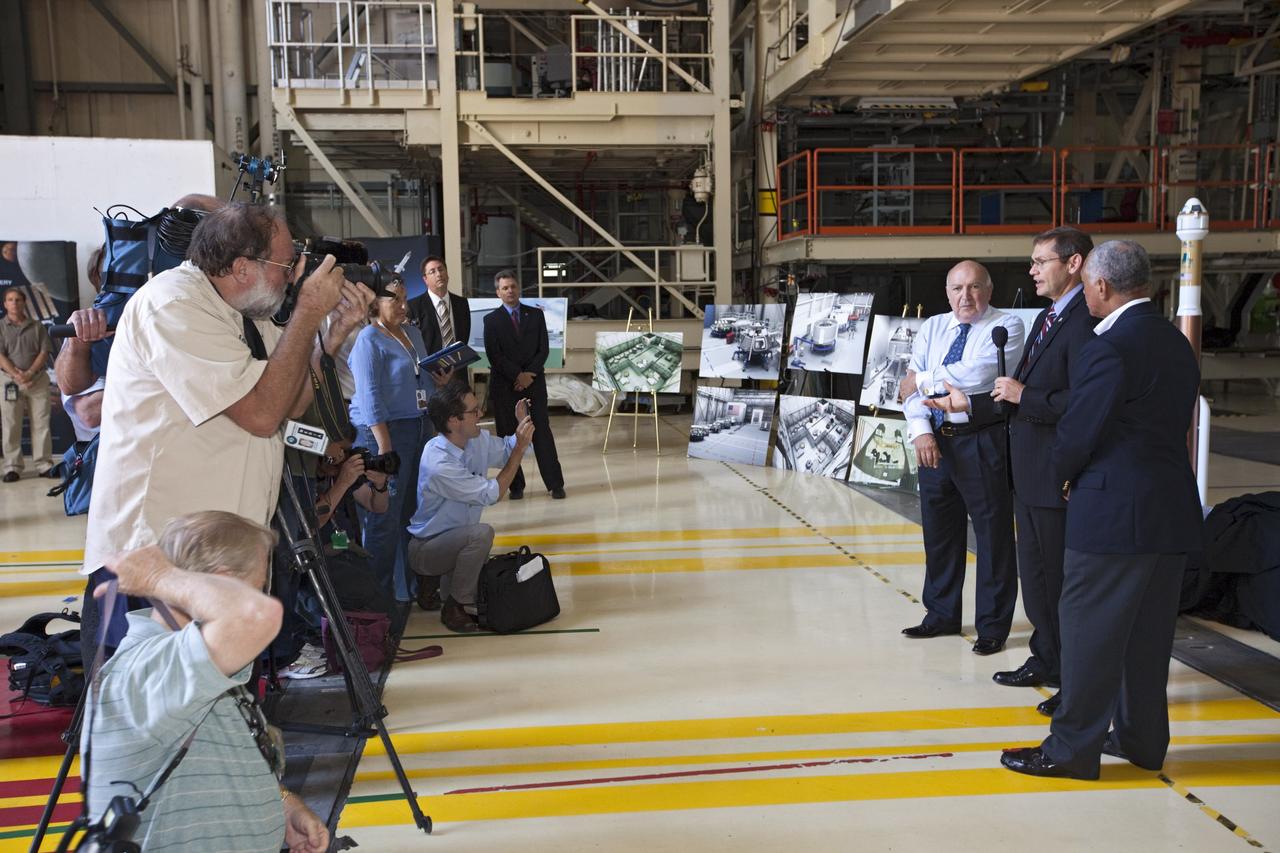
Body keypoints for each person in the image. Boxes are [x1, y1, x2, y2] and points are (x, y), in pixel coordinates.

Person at [80, 202, 371, 658]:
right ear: (240, 267)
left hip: (217, 554)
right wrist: (309, 312)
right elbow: (261, 415)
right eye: (286, 263)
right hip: (157, 555)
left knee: (221, 703)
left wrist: (328, 338)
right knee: (158, 708)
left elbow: (288, 405)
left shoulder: (247, 310)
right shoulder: (174, 305)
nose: (294, 275)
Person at [1000, 240, 1203, 780]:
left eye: (1088, 283)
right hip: (1170, 512)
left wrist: (1063, 475)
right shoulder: (1174, 341)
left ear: (1102, 287)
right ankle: (1141, 741)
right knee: (1147, 638)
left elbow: (1077, 432)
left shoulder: (1109, 346)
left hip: (1113, 515)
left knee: (1089, 633)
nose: (1086, 291)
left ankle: (1069, 750)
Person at [82, 511, 328, 853]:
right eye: (257, 588)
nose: (264, 597)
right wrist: (157, 576)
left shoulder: (199, 668)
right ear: (223, 584)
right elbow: (254, 616)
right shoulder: (147, 672)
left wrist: (281, 804)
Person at [988, 227, 1097, 717]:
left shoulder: (1085, 321)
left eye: (1040, 261)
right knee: (1034, 576)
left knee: (1058, 582)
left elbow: (1084, 401)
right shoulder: (1051, 315)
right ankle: (1045, 658)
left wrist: (1023, 396)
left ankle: (1073, 680)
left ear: (1073, 263)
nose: (1032, 270)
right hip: (1029, 473)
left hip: (1056, 475)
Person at [898, 260, 1024, 655]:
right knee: (939, 533)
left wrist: (921, 379)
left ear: (989, 290)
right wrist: (920, 431)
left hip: (981, 441)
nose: (965, 296)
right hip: (935, 440)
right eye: (957, 288)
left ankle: (992, 626)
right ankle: (941, 614)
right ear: (947, 292)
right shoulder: (933, 327)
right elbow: (908, 393)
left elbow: (978, 374)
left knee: (992, 537)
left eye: (973, 287)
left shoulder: (1007, 326)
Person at [407, 383, 534, 632]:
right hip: (428, 548)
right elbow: (492, 493)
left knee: (483, 573)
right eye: (474, 412)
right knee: (481, 534)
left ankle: (437, 585)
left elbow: (510, 448)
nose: (481, 415)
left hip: (456, 540)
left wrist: (522, 425)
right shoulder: (438, 462)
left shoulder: (475, 440)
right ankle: (455, 606)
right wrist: (519, 448)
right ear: (454, 421)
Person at [347, 279, 435, 602]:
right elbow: (369, 397)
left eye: (404, 298)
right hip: (382, 434)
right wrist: (385, 448)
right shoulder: (369, 340)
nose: (402, 305)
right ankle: (376, 598)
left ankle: (406, 590)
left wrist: (441, 379)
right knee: (383, 520)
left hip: (417, 428)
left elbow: (422, 378)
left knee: (409, 514)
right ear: (375, 305)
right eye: (393, 299)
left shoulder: (412, 334)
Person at [482, 269, 565, 499]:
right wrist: (517, 375)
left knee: (542, 434)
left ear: (519, 289)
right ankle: (516, 486)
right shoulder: (491, 320)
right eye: (505, 288)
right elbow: (494, 355)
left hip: (534, 383)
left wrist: (528, 375)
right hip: (505, 386)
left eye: (513, 286)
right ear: (498, 292)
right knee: (509, 435)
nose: (510, 291)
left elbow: (543, 350)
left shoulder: (535, 315)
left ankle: (555, 484)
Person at [0, 287, 56, 481]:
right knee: (11, 424)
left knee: (41, 423)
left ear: (24, 302)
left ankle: (44, 464)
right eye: (10, 300)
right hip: (10, 382)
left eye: (17, 299)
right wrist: (16, 374)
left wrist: (30, 373)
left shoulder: (37, 326)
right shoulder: (1, 326)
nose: (14, 303)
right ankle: (12, 467)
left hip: (37, 380)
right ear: (5, 304)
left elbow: (44, 351)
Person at [407, 255, 470, 374]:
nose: (438, 274)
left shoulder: (462, 303)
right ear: (425, 279)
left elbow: (464, 338)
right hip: (430, 375)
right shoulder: (414, 306)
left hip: (458, 373)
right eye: (432, 271)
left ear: (447, 273)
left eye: (441, 269)